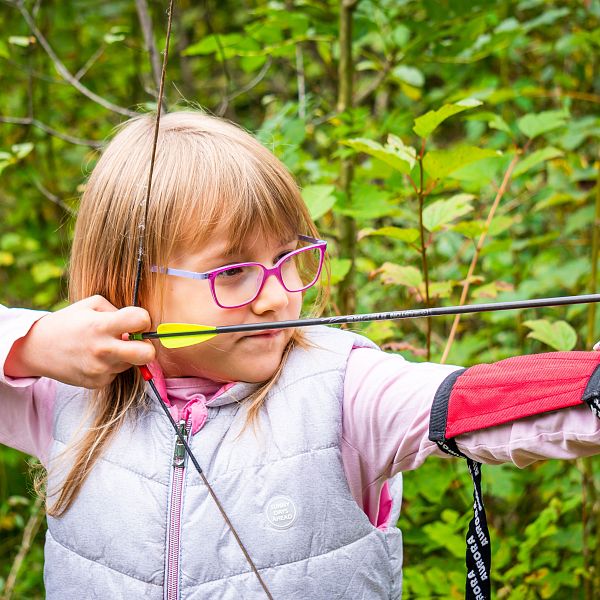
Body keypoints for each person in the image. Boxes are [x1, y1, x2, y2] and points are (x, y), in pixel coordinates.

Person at [1, 110, 600, 600]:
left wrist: (588, 386)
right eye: (233, 272)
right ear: (128, 286)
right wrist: (31, 347)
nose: (275, 298)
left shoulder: (341, 387)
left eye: (289, 259)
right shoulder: (67, 392)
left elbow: (468, 401)